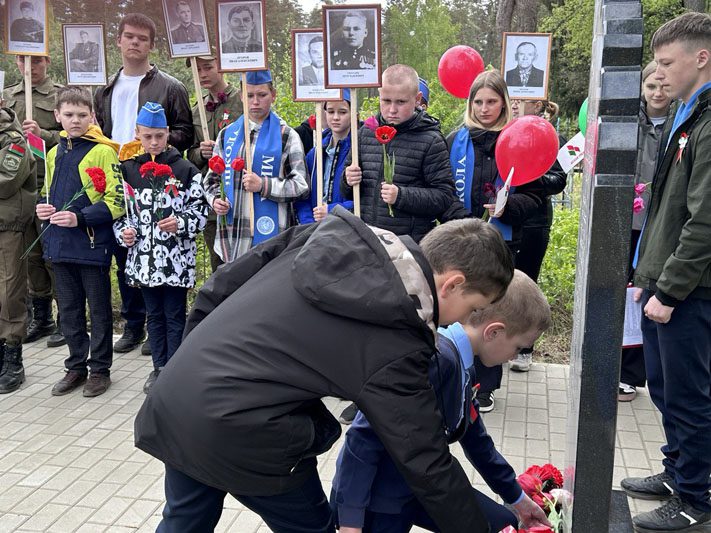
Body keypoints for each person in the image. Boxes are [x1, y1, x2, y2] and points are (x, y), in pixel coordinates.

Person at [134, 212, 514, 533]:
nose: (463, 320)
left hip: (178, 396)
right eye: (472, 308)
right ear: (453, 284)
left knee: (184, 522)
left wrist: (191, 366)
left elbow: (218, 287)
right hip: (245, 431)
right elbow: (424, 459)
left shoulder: (334, 235)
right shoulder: (398, 333)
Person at [331, 270, 552, 533]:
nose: (515, 357)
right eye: (518, 347)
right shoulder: (434, 362)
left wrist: (517, 497)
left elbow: (476, 440)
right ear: (494, 332)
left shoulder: (464, 364)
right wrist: (350, 519)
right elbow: (363, 438)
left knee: (501, 523)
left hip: (420, 487)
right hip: (378, 501)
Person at [621, 12, 711, 533]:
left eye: (667, 62)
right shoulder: (688, 115)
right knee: (664, 389)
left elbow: (705, 221)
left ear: (701, 58)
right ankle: (677, 472)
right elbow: (666, 209)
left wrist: (670, 290)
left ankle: (695, 497)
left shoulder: (707, 123)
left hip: (691, 291)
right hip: (664, 280)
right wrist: (646, 275)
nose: (659, 72)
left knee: (688, 396)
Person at [443, 70, 545, 411]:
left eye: (491, 101)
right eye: (478, 102)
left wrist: (508, 207)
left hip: (502, 241)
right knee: (461, 311)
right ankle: (454, 375)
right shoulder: (454, 140)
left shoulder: (517, 140)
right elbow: (442, 188)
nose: (484, 109)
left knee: (494, 312)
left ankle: (485, 385)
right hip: (462, 239)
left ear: (504, 103)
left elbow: (534, 196)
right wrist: (463, 219)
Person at [94, 13, 194, 355]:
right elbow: (100, 129)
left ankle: (157, 331)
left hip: (157, 175)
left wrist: (149, 144)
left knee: (155, 247)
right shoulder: (106, 87)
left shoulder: (170, 87)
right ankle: (134, 323)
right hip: (120, 173)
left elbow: (186, 132)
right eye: (129, 36)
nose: (135, 42)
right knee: (126, 247)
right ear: (119, 40)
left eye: (142, 38)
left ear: (152, 45)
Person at [36, 87, 124, 398]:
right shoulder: (53, 153)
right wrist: (42, 207)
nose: (75, 120)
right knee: (69, 309)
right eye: (69, 115)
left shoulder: (103, 151)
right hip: (59, 245)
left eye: (82, 115)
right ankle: (75, 365)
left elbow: (117, 201)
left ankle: (99, 369)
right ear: (57, 116)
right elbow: (47, 192)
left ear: (92, 117)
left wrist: (81, 218)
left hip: (91, 244)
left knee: (98, 310)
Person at [115, 103, 207, 394]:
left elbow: (200, 210)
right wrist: (125, 233)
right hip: (144, 261)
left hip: (176, 260)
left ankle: (175, 370)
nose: (154, 142)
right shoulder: (129, 170)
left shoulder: (185, 170)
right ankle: (158, 368)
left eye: (159, 135)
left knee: (175, 314)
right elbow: (120, 213)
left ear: (168, 133)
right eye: (147, 136)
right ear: (137, 134)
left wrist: (180, 222)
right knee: (153, 315)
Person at [342, 64, 455, 243]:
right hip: (367, 239)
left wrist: (401, 196)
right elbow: (348, 192)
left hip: (407, 243)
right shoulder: (366, 133)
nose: (392, 110)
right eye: (386, 101)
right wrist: (348, 180)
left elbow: (444, 197)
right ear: (379, 95)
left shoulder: (431, 140)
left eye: (401, 102)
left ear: (417, 99)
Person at [203, 69, 308, 263]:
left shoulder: (287, 136)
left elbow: (301, 186)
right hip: (232, 238)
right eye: (250, 95)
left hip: (272, 241)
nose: (255, 102)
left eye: (262, 95)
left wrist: (263, 185)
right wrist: (216, 199)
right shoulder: (227, 135)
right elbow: (211, 180)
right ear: (241, 96)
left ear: (273, 95)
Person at [616, 61, 671, 402]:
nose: (657, 93)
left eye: (663, 86)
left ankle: (634, 374)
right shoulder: (626, 121)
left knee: (645, 295)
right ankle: (614, 367)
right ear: (641, 88)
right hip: (625, 223)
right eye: (651, 86)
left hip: (659, 225)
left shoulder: (680, 121)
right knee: (621, 295)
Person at [3, 54, 65, 348]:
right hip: (19, 188)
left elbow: (76, 133)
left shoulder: (60, 95)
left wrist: (44, 135)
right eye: (23, 60)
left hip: (50, 183)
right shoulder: (7, 96)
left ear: (47, 61)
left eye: (37, 61)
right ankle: (42, 318)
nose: (30, 66)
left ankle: (66, 318)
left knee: (54, 254)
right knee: (30, 256)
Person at [507, 98, 567, 373]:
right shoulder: (503, 130)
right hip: (504, 219)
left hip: (535, 221)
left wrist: (529, 175)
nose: (516, 104)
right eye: (513, 99)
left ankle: (525, 348)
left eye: (524, 100)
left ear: (539, 104)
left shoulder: (549, 135)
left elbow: (558, 180)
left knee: (526, 283)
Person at [186, 52, 243, 273]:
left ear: (221, 65)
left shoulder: (242, 101)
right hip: (213, 200)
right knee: (218, 265)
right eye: (198, 70)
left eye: (208, 67)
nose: (203, 74)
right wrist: (201, 153)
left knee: (245, 263)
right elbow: (190, 154)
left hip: (239, 194)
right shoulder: (196, 110)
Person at [0, 107, 37, 395]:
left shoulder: (14, 140)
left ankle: (13, 356)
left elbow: (7, 180)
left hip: (7, 225)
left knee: (9, 291)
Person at [295, 89, 354, 224]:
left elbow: (365, 199)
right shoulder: (314, 154)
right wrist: (308, 223)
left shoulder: (358, 152)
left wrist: (332, 210)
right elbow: (303, 194)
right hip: (314, 228)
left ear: (353, 114)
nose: (336, 117)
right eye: (331, 111)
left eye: (342, 112)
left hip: (345, 227)